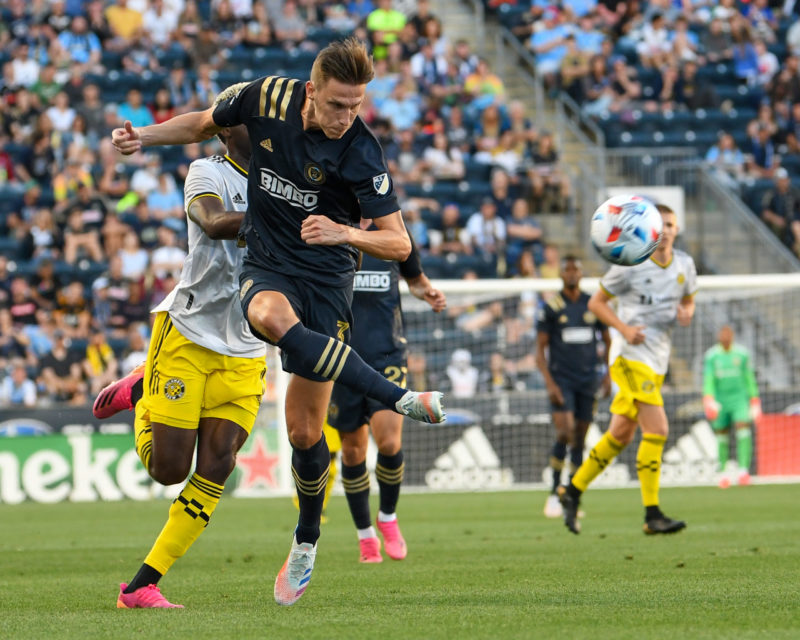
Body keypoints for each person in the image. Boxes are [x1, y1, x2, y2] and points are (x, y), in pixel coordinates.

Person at [110, 37, 445, 607]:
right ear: (311, 91)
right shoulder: (261, 102)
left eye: (357, 105)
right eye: (338, 104)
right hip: (266, 268)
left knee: (304, 434)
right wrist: (144, 135)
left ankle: (306, 540)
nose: (347, 117)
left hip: (328, 277)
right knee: (266, 311)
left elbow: (397, 241)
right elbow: (201, 124)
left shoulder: (362, 151)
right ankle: (401, 398)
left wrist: (345, 232)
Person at [96, 125, 267, 609]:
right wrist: (288, 217)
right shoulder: (205, 172)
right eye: (247, 118)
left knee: (219, 462)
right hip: (189, 332)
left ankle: (141, 586)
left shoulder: (285, 177)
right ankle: (140, 392)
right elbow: (213, 223)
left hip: (248, 344)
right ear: (224, 130)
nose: (260, 125)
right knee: (169, 469)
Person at [558, 204, 697, 535]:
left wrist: (687, 311)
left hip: (657, 358)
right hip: (630, 356)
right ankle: (652, 514)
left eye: (671, 224)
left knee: (620, 434)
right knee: (658, 429)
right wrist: (623, 329)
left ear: (677, 230)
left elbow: (689, 298)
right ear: (650, 229)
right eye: (660, 224)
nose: (666, 230)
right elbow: (595, 303)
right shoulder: (630, 264)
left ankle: (571, 491)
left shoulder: (685, 265)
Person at [329, 220, 446, 563]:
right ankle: (366, 536)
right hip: (341, 357)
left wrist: (427, 292)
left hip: (387, 356)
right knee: (352, 452)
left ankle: (388, 517)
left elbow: (415, 280)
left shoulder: (395, 234)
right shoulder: (332, 229)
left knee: (390, 442)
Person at [535, 255, 610, 519]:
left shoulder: (593, 304)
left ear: (580, 273)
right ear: (561, 274)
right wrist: (550, 383)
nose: (571, 273)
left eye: (575, 269)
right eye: (567, 269)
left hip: (588, 380)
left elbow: (608, 339)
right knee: (565, 432)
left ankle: (572, 497)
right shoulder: (552, 307)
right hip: (562, 380)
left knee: (580, 438)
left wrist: (608, 373)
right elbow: (540, 351)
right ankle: (555, 491)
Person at [702, 326, 761, 488]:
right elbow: (709, 379)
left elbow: (749, 377)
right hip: (721, 399)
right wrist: (708, 398)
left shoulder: (742, 354)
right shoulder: (712, 355)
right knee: (722, 433)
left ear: (732, 336)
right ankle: (723, 472)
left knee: (743, 428)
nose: (725, 336)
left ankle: (743, 471)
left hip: (739, 399)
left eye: (728, 333)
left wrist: (754, 400)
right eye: (722, 333)